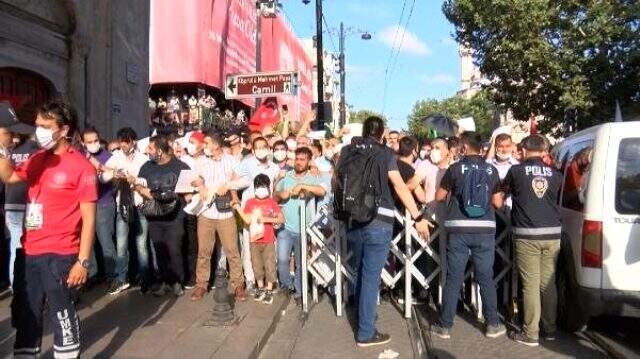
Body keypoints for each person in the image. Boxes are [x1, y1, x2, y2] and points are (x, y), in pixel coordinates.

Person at [0, 100, 97, 359]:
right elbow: (9, 177)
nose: (38, 131)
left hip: (61, 255)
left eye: (45, 126)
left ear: (64, 130)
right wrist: (1, 148)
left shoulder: (82, 167)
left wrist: (83, 262)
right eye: (37, 125)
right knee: (27, 315)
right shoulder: (36, 159)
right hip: (29, 250)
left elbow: (89, 219)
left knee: (62, 313)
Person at [336, 116, 431, 347]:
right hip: (379, 220)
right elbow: (399, 186)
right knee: (370, 277)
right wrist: (418, 217)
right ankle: (366, 333)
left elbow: (336, 181)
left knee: (359, 272)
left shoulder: (347, 151)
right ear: (381, 134)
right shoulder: (385, 153)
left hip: (353, 219)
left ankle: (363, 317)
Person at [431, 132, 506, 339]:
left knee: (454, 278)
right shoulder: (491, 170)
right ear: (480, 147)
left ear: (463, 147)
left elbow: (439, 196)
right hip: (485, 230)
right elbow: (498, 202)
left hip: (458, 230)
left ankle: (445, 326)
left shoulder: (455, 169)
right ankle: (492, 324)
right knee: (485, 277)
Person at [503, 135, 562, 346]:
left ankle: (531, 333)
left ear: (525, 150)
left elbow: (502, 193)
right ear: (544, 150)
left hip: (528, 234)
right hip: (553, 233)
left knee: (530, 284)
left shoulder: (516, 171)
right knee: (548, 283)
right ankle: (550, 329)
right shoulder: (556, 174)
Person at [190, 131, 247, 302]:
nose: (203, 146)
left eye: (206, 143)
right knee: (204, 251)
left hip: (225, 213)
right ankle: (201, 284)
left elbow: (245, 180)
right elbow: (193, 180)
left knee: (232, 250)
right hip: (205, 212)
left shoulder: (232, 161)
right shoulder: (201, 162)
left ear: (215, 145)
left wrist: (229, 185)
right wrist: (199, 185)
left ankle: (238, 284)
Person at [133, 135, 190, 297]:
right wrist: (137, 186)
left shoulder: (180, 167)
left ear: (160, 150)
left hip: (174, 217)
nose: (147, 152)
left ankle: (177, 281)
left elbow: (188, 191)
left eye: (150, 149)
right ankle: (165, 281)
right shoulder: (146, 166)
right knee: (159, 250)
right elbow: (139, 183)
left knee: (174, 249)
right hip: (154, 216)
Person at [274, 147, 327, 302]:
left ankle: (299, 291)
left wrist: (304, 186)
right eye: (297, 159)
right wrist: (279, 194)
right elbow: (274, 196)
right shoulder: (287, 176)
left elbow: (322, 191)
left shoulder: (314, 176)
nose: (298, 162)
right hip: (285, 227)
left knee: (301, 263)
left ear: (309, 161)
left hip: (304, 228)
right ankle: (286, 285)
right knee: (282, 260)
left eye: (302, 159)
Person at [102, 128, 150, 295]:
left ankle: (145, 277)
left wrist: (135, 179)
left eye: (126, 141)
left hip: (140, 205)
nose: (123, 145)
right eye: (121, 141)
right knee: (121, 245)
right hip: (123, 206)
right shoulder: (115, 158)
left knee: (141, 244)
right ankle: (121, 278)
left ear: (133, 141)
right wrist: (114, 174)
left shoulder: (144, 159)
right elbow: (103, 176)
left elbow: (148, 180)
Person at [230, 136, 280, 292]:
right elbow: (233, 182)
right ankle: (251, 279)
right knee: (249, 246)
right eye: (257, 147)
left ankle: (270, 280)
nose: (261, 150)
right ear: (252, 150)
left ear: (268, 148)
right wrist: (235, 199)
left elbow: (275, 189)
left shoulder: (274, 167)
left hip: (267, 212)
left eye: (263, 146)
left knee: (270, 248)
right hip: (250, 210)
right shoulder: (247, 163)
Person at [0, 109, 37, 288]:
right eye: (8, 133)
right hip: (26, 206)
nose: (12, 137)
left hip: (18, 206)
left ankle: (19, 287)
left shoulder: (7, 153)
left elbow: (9, 177)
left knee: (17, 244)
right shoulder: (34, 150)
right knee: (26, 245)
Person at [233, 174, 283, 305]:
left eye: (264, 186)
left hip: (268, 239)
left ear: (268, 187)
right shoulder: (250, 202)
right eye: (258, 186)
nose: (261, 189)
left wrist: (266, 219)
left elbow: (281, 218)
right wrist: (238, 208)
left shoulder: (272, 202)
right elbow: (247, 219)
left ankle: (269, 289)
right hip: (254, 239)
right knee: (256, 264)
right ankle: (260, 287)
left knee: (270, 264)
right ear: (254, 188)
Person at [81, 127, 117, 285]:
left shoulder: (107, 156)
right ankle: (93, 273)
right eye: (89, 142)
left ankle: (113, 276)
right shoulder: (80, 157)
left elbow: (114, 176)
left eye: (96, 140)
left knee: (106, 242)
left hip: (104, 203)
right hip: (86, 204)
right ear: (83, 143)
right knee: (89, 242)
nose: (94, 144)